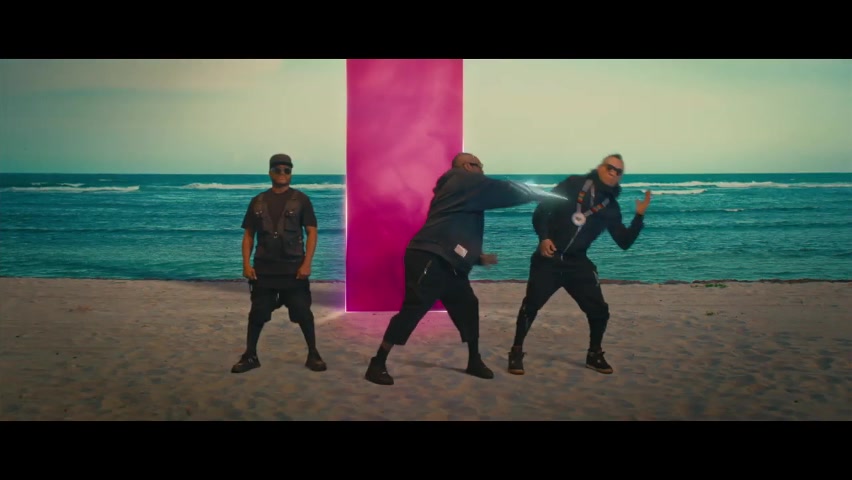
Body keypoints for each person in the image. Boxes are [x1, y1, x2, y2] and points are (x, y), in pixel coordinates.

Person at [364, 152, 570, 385]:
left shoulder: (460, 190)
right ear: (469, 166)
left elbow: (454, 228)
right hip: (430, 258)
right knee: (413, 309)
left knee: (468, 307)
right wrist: (541, 194)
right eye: (480, 166)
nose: (483, 172)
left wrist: (476, 257)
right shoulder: (462, 178)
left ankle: (474, 361)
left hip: (449, 261)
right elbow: (504, 189)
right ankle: (377, 363)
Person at [507, 154, 651, 376]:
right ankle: (516, 351)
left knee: (600, 311)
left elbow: (624, 242)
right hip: (549, 258)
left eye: (618, 171)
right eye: (610, 167)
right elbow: (542, 211)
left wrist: (639, 216)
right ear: (600, 167)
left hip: (578, 263)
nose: (613, 173)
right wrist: (544, 238)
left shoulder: (610, 207)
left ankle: (594, 354)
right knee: (531, 306)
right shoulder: (573, 184)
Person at [230, 153, 327, 374]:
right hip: (264, 270)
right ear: (270, 173)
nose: (282, 173)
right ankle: (250, 355)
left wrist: (307, 263)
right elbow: (248, 235)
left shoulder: (301, 200)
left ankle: (313, 354)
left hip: (294, 269)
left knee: (303, 313)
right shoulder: (258, 201)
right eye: (277, 169)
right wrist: (246, 264)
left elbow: (312, 233)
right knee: (257, 314)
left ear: (291, 173)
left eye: (287, 170)